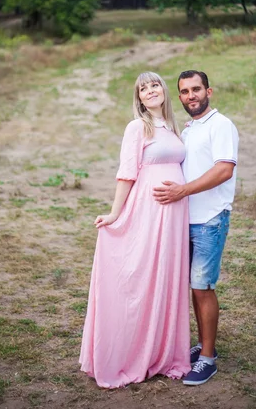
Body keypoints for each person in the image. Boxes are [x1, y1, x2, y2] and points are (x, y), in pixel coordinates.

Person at [79, 72, 191, 388]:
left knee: (166, 278)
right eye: (143, 88)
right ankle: (129, 351)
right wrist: (115, 213)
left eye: (155, 84)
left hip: (174, 215)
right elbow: (127, 172)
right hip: (149, 210)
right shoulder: (137, 128)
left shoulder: (174, 127)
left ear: (165, 91)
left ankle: (162, 350)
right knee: (140, 277)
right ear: (139, 98)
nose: (150, 90)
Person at [153, 70, 239, 386]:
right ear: (180, 97)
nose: (191, 96)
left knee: (202, 286)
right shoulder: (188, 130)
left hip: (210, 219)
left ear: (209, 91)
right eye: (185, 91)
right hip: (183, 220)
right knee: (192, 286)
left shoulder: (221, 125)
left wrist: (182, 191)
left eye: (197, 89)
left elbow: (223, 170)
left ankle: (207, 359)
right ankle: (202, 345)